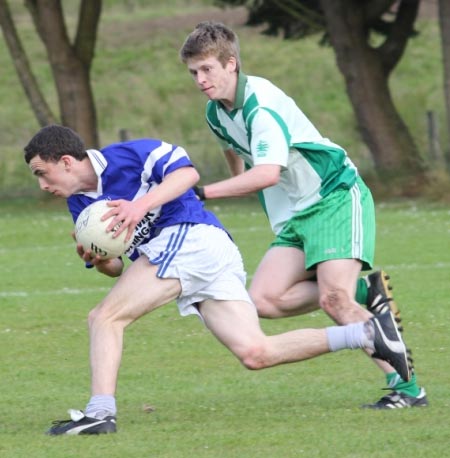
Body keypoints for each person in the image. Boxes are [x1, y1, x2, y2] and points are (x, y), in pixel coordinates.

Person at [24, 125, 410, 435]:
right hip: (194, 256)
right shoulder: (79, 204)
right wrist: (98, 257)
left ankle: (99, 413)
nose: (42, 185)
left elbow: (187, 174)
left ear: (67, 161)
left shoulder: (129, 154)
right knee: (256, 353)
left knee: (104, 317)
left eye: (43, 173)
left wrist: (138, 205)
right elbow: (118, 268)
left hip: (192, 238)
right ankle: (366, 333)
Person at [179, 21, 427, 409]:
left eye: (207, 69)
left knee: (334, 300)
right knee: (263, 300)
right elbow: (231, 143)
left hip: (333, 196)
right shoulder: (215, 111)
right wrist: (235, 179)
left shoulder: (261, 105)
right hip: (295, 214)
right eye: (194, 72)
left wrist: (203, 193)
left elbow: (267, 174)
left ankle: (409, 390)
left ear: (232, 64)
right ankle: (366, 292)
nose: (200, 80)